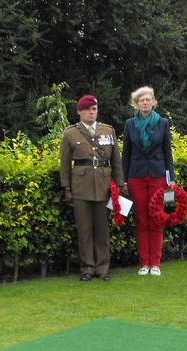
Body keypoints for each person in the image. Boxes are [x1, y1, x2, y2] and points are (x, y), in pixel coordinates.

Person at [60, 94, 126, 282]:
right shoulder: (70, 133)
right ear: (79, 111)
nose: (92, 112)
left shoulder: (108, 130)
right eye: (88, 109)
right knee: (84, 230)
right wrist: (66, 187)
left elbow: (116, 160)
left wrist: (120, 183)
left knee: (102, 230)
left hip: (104, 186)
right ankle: (87, 268)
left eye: (94, 109)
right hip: (80, 187)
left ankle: (103, 268)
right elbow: (65, 164)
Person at [122, 86, 174, 277]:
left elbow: (168, 153)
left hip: (158, 176)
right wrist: (123, 181)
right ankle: (144, 263)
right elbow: (125, 154)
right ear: (136, 103)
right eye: (142, 100)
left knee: (156, 219)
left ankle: (156, 264)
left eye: (148, 99)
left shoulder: (162, 123)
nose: (145, 102)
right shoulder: (129, 124)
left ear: (153, 102)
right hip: (135, 178)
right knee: (142, 221)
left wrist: (171, 180)